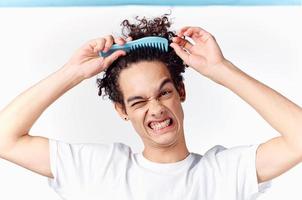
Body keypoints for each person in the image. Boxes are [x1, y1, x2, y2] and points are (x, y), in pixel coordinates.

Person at [0, 15, 301, 200]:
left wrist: (221, 69)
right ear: (122, 110)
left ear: (180, 91)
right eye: (139, 101)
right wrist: (72, 72)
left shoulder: (224, 173)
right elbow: (5, 138)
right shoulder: (98, 170)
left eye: (164, 92)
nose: (155, 108)